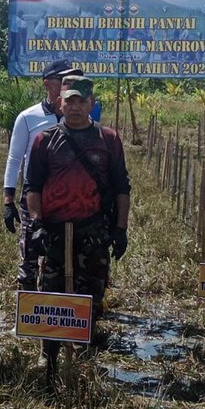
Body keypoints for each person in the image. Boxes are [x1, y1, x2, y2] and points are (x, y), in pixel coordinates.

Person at [24, 76, 131, 362]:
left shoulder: (108, 139)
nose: (75, 107)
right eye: (69, 101)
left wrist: (120, 230)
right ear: (60, 103)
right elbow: (32, 187)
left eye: (82, 101)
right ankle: (49, 354)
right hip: (54, 232)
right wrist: (36, 223)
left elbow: (122, 187)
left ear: (92, 104)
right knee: (52, 293)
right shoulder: (43, 141)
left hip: (94, 230)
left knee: (91, 295)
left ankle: (84, 350)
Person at [3, 59, 82, 291]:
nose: (69, 85)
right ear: (47, 84)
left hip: (67, 199)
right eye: (63, 80)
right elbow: (15, 159)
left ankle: (56, 308)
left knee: (62, 256)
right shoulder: (28, 117)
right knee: (29, 254)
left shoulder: (80, 117)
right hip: (34, 197)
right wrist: (8, 199)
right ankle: (27, 310)